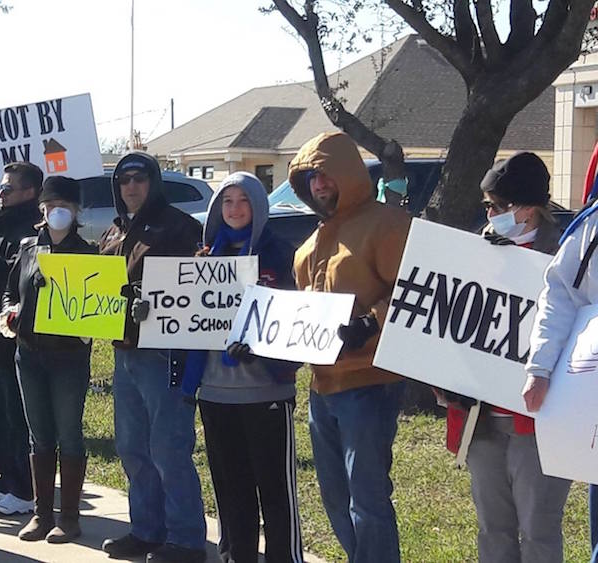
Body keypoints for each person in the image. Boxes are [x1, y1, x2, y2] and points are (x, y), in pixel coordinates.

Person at [436, 152, 570, 563]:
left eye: (496, 206)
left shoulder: (564, 257)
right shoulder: (476, 253)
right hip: (483, 421)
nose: (489, 214)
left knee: (538, 531)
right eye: (487, 206)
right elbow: (450, 325)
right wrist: (442, 379)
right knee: (492, 529)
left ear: (527, 209)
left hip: (539, 422)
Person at [287, 132, 411, 563]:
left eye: (323, 174)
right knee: (335, 498)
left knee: (367, 497)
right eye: (308, 179)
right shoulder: (307, 248)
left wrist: (371, 321)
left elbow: (415, 292)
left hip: (370, 383)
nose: (318, 185)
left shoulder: (388, 225)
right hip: (322, 389)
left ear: (347, 173)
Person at [177, 172, 303, 563]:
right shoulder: (202, 261)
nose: (234, 209)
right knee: (231, 491)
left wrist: (262, 346)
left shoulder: (281, 256)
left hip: (266, 391)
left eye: (243, 201)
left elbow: (299, 323)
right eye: (226, 202)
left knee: (274, 491)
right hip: (214, 392)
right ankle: (236, 556)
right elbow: (183, 319)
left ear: (259, 206)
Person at [98, 152, 207, 563]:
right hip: (124, 353)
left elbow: (196, 287)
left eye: (139, 178)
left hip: (165, 353)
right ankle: (146, 530)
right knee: (132, 448)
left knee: (169, 448)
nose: (131, 186)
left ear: (153, 181)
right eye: (123, 180)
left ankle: (186, 540)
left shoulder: (181, 227)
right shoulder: (113, 231)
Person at [0, 176, 95, 543]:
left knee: (68, 434)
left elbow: (100, 299)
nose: (57, 212)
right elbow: (10, 291)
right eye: (51, 205)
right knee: (39, 436)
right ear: (41, 210)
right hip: (29, 354)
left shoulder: (87, 253)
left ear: (76, 212)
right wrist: (9, 312)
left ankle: (69, 517)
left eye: (64, 207)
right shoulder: (27, 249)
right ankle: (41, 515)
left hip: (69, 357)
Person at [0, 162, 44, 516]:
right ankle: (4, 478)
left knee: (17, 414)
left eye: (8, 189)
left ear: (30, 192)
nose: (1, 194)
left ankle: (23, 486)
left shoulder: (32, 229)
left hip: (17, 334)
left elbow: (17, 276)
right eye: (1, 188)